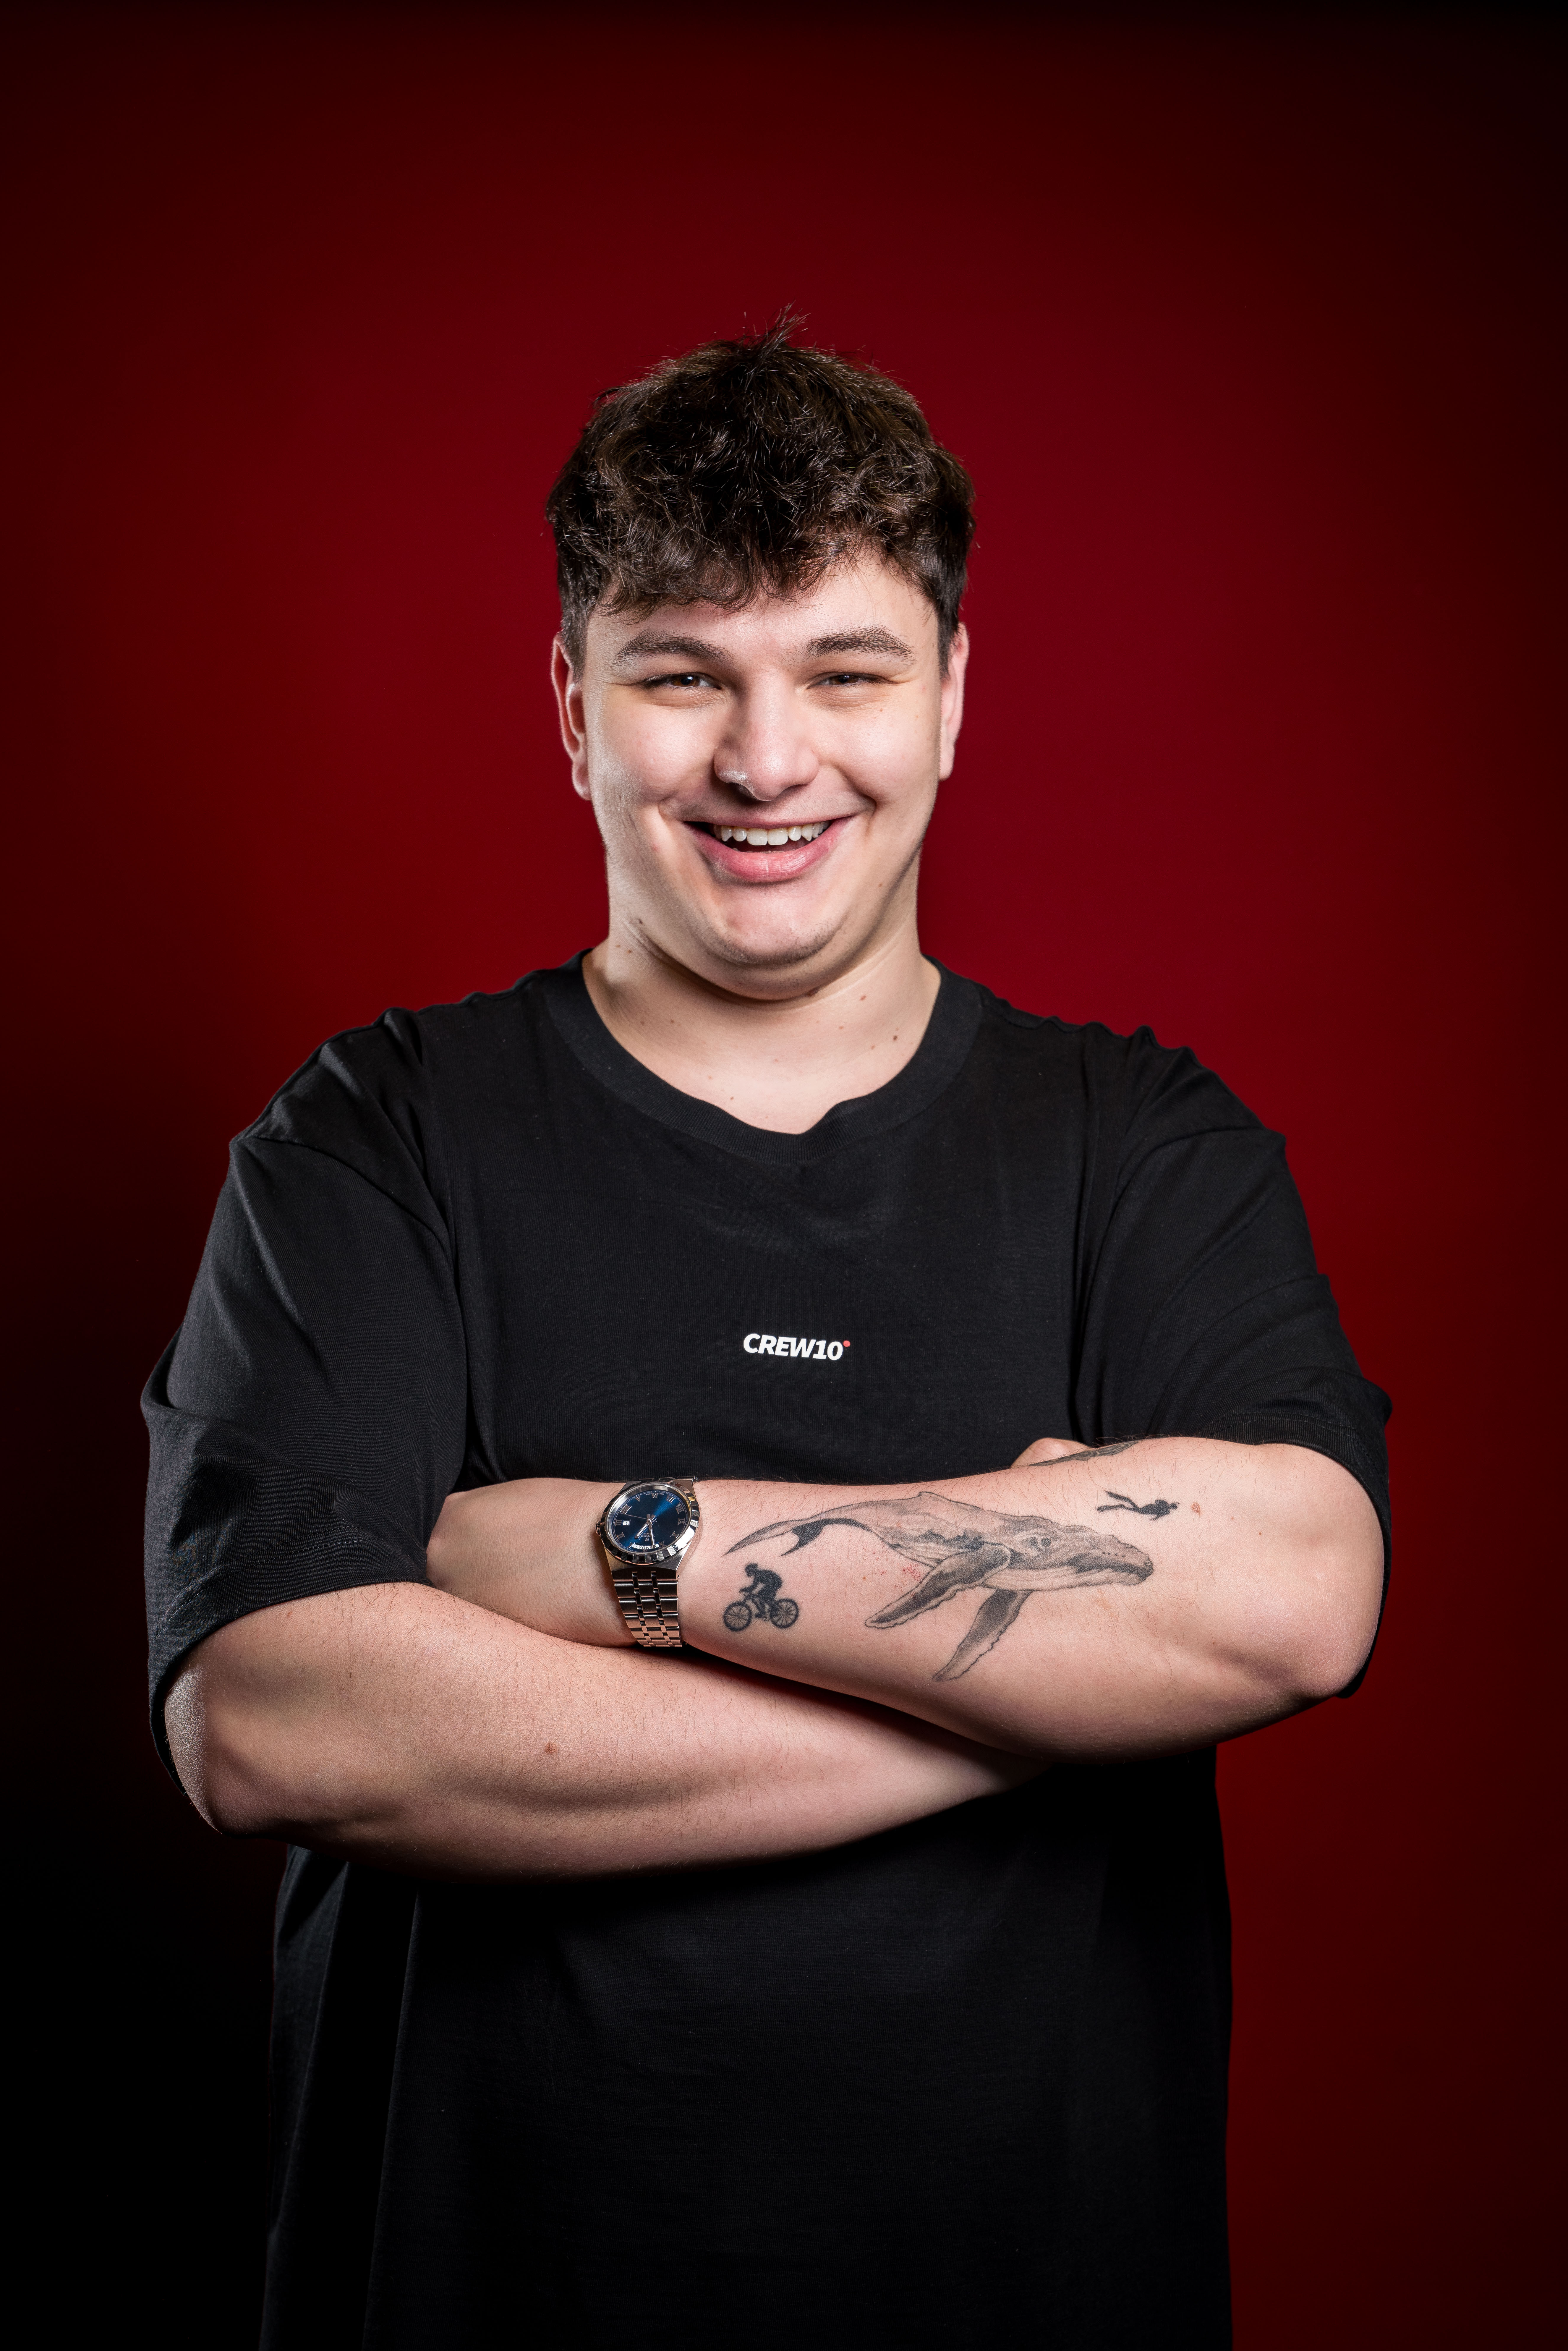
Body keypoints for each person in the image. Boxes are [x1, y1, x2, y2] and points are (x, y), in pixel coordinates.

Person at [145, 323, 1389, 2350]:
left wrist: (605, 1549)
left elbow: (1297, 1600)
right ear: (570, 706)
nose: (764, 759)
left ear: (953, 699)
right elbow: (279, 1720)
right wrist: (1039, 1675)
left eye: (843, 671)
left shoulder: (1140, 1148)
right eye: (680, 674)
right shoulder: (373, 1140)